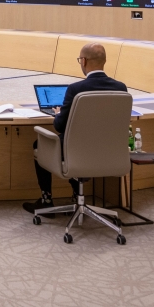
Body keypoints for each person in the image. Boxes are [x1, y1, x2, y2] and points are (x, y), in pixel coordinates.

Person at [23, 43, 128, 214]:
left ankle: (46, 199)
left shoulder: (76, 89)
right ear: (104, 61)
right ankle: (75, 194)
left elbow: (59, 126)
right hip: (109, 152)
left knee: (40, 144)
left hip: (76, 152)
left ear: (84, 61)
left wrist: (58, 114)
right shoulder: (120, 88)